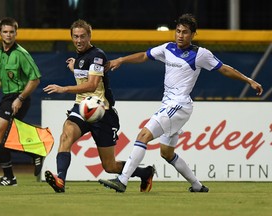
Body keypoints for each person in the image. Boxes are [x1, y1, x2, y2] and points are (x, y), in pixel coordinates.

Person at [98, 13, 263, 193]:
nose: (180, 35)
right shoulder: (168, 48)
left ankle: (122, 180)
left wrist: (249, 80)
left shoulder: (200, 54)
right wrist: (121, 59)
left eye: (185, 32)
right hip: (169, 106)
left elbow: (224, 68)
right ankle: (197, 186)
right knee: (166, 153)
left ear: (193, 34)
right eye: (178, 31)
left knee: (143, 136)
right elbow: (144, 56)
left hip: (179, 105)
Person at [43, 19, 155, 193]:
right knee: (66, 135)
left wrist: (64, 88)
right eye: (75, 36)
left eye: (82, 36)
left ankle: (144, 172)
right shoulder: (80, 57)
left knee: (110, 166)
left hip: (102, 112)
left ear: (89, 36)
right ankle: (60, 180)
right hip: (82, 107)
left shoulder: (97, 56)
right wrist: (74, 69)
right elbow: (85, 77)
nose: (79, 40)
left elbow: (92, 85)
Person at [0, 17, 43, 186]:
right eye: (5, 32)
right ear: (0, 33)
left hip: (19, 97)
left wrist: (20, 99)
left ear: (16, 33)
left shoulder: (21, 54)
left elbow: (35, 79)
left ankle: (12, 175)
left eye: (11, 32)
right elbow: (0, 76)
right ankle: (30, 157)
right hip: (6, 98)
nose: (8, 35)